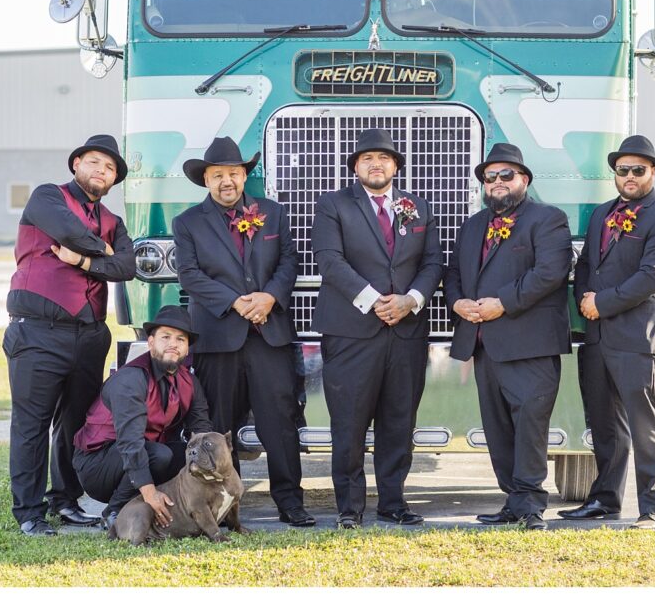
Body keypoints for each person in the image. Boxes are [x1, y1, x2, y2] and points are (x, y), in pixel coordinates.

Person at [172, 137, 314, 527]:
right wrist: (237, 303)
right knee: (219, 426)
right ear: (206, 180)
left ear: (244, 175)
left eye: (234, 173)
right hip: (219, 338)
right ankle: (225, 505)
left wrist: (269, 297)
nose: (227, 181)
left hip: (270, 335)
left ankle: (290, 501)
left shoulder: (272, 213)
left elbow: (289, 260)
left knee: (280, 421)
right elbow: (189, 275)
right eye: (218, 175)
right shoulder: (187, 223)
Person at [311, 128, 444, 529]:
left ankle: (393, 501)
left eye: (384, 158)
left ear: (395, 167)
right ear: (356, 167)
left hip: (406, 333)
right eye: (367, 158)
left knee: (398, 421)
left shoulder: (416, 207)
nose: (376, 164)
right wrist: (375, 300)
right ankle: (349, 508)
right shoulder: (333, 205)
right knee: (349, 422)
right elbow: (329, 260)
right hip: (352, 332)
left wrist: (411, 301)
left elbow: (433, 264)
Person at [4, 133, 136, 536]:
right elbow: (69, 231)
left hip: (90, 335)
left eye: (110, 168)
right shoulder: (48, 197)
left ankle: (65, 500)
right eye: (95, 162)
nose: (102, 171)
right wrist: (104, 253)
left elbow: (127, 268)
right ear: (76, 163)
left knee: (74, 423)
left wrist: (83, 258)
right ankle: (28, 512)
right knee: (32, 424)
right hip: (38, 332)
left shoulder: (115, 220)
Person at [558, 135, 655, 531]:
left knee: (646, 426)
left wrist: (602, 302)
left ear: (653, 173)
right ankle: (604, 499)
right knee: (604, 425)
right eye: (622, 170)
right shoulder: (600, 215)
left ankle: (653, 507)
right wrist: (584, 299)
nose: (629, 176)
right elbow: (585, 266)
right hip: (596, 339)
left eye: (638, 170)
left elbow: (651, 277)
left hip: (639, 340)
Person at [443, 143, 572, 531]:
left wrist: (503, 302)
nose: (497, 183)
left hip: (530, 343)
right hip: (484, 345)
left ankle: (532, 505)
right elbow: (453, 274)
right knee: (498, 428)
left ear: (524, 180)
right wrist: (459, 303)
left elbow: (550, 273)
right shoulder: (472, 225)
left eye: (506, 175)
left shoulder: (548, 219)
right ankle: (513, 501)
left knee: (530, 424)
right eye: (490, 177)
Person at [72, 305, 213, 530]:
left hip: (144, 455)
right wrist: (150, 493)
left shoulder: (189, 381)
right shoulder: (131, 379)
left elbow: (202, 430)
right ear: (150, 342)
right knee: (160, 454)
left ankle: (176, 508)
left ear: (187, 349)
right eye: (165, 337)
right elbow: (130, 441)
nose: (173, 344)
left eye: (180, 339)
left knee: (185, 454)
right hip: (98, 464)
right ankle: (116, 511)